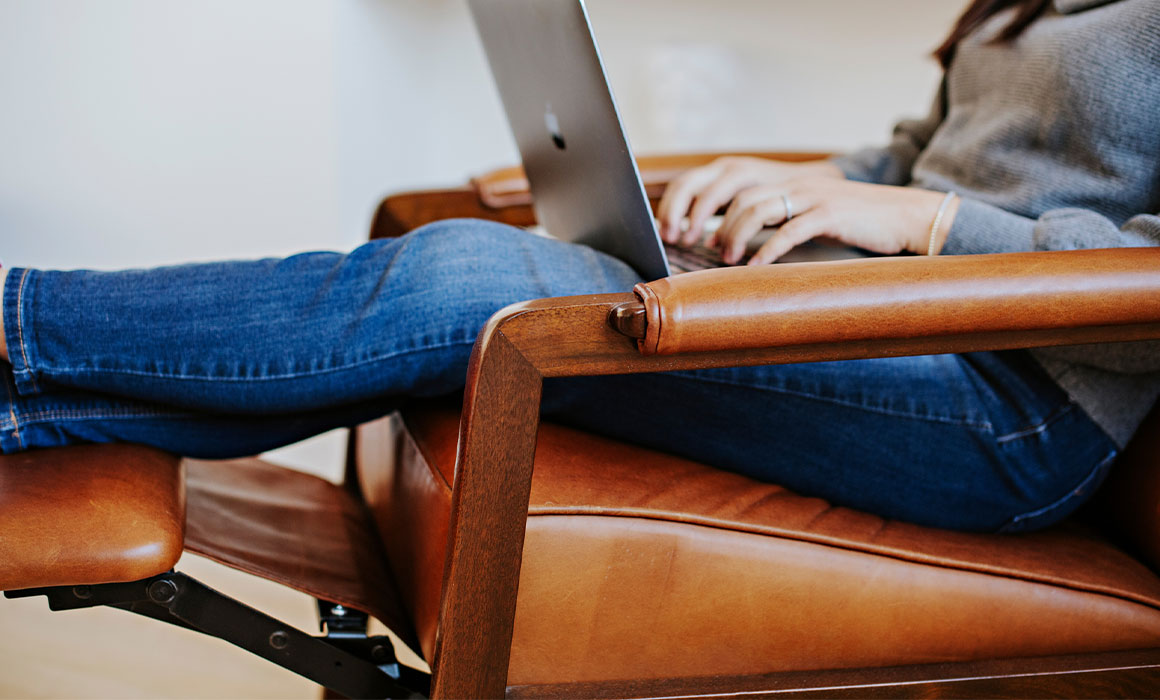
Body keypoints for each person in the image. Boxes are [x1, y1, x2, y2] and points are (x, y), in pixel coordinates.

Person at [1, 0, 1157, 533]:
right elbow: (917, 155)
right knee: (457, 318)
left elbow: (1099, 279)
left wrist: (916, 224)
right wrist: (782, 182)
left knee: (468, 284)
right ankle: (24, 414)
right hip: (885, 311)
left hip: (1009, 406)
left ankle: (17, 320)